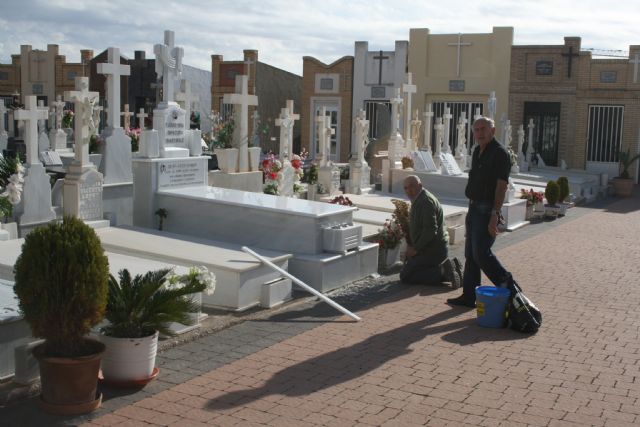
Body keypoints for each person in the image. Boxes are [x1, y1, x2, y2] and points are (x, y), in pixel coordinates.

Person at [447, 116, 515, 308]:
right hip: (473, 206)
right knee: (470, 253)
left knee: (481, 253)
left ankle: (509, 288)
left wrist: (495, 214)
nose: (480, 133)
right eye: (476, 130)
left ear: (492, 131)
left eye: (483, 129)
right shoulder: (477, 151)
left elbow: (501, 186)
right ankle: (470, 296)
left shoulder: (500, 154)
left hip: (487, 209)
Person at [400, 175, 461, 287]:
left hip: (433, 251)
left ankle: (444, 271)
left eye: (412, 186)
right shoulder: (419, 199)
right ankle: (450, 267)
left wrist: (415, 249)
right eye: (406, 188)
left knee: (406, 275)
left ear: (420, 185)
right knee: (410, 268)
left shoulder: (425, 202)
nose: (409, 190)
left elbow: (430, 230)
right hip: (429, 248)